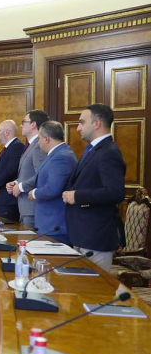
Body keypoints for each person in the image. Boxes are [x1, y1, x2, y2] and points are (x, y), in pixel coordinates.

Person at [63, 104, 126, 272]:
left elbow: (115, 192)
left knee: (94, 287)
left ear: (96, 123)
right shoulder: (93, 149)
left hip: (96, 237)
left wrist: (77, 196)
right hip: (83, 234)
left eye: (82, 122)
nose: (78, 128)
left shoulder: (108, 151)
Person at [27, 121, 77, 245]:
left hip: (55, 225)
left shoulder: (61, 157)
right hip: (48, 224)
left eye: (39, 138)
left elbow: (53, 188)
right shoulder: (56, 154)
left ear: (46, 139)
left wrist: (35, 193)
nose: (38, 142)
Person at [6, 109, 49, 230]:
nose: (21, 125)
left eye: (23, 122)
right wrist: (16, 182)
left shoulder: (38, 146)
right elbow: (28, 172)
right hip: (25, 208)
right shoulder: (31, 145)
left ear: (33, 124)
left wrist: (20, 187)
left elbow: (41, 174)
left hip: (32, 208)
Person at [0, 120, 23, 222]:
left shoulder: (17, 146)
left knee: (6, 229)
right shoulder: (7, 148)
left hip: (9, 200)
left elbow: (11, 169)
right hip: (1, 199)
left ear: (7, 132)